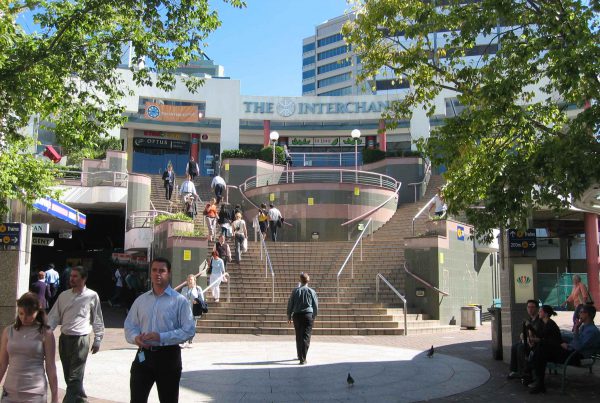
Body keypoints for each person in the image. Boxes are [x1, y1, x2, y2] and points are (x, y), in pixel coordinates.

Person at [124, 257, 195, 403]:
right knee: (137, 399)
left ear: (168, 273)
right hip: (143, 356)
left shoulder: (179, 301)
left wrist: (161, 337)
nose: (158, 274)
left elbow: (188, 330)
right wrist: (135, 337)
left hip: (168, 357)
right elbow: (130, 325)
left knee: (168, 399)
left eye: (162, 270)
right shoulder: (141, 300)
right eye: (154, 270)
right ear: (150, 273)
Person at [48, 266, 105, 403]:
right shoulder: (63, 295)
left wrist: (98, 339)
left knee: (75, 376)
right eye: (71, 276)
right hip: (65, 339)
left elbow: (97, 318)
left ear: (84, 279)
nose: (71, 279)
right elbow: (53, 317)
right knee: (69, 375)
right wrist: (44, 334)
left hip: (81, 340)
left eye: (75, 276)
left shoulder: (92, 295)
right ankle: (81, 400)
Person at [0, 292, 59, 403]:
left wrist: (55, 397)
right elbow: (2, 363)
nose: (24, 318)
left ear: (37, 311)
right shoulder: (8, 331)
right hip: (10, 391)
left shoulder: (46, 333)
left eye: (29, 314)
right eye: (21, 313)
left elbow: (50, 366)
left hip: (34, 393)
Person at [525, 305, 563, 394]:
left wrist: (538, 340)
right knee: (537, 353)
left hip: (554, 351)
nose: (539, 313)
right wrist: (530, 327)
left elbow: (550, 340)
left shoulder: (551, 324)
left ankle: (536, 380)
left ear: (545, 314)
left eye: (540, 311)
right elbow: (540, 335)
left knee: (538, 355)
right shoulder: (543, 323)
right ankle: (537, 382)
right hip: (547, 350)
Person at [287, 272, 318, 365]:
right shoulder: (312, 291)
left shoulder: (295, 291)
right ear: (308, 280)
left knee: (298, 335)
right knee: (306, 336)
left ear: (300, 280)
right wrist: (314, 316)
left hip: (296, 315)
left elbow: (290, 304)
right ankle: (303, 358)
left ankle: (299, 354)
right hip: (308, 315)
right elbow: (315, 305)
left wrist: (289, 315)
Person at [507, 300, 543, 380]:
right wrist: (522, 335)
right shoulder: (529, 319)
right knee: (514, 346)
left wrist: (528, 338)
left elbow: (538, 334)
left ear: (537, 308)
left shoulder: (539, 321)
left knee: (520, 347)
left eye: (532, 307)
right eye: (528, 307)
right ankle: (514, 370)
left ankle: (523, 372)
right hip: (528, 342)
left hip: (536, 345)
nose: (530, 309)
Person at [180, 274, 204, 347]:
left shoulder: (198, 289)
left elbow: (202, 300)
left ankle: (190, 341)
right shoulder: (184, 289)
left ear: (194, 281)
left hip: (194, 310)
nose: (190, 281)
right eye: (188, 280)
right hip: (185, 311)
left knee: (192, 326)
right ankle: (184, 341)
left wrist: (197, 301)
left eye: (191, 279)